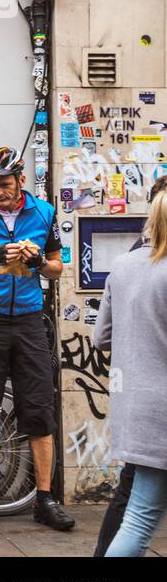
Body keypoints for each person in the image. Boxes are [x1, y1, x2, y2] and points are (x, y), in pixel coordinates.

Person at [0, 146, 74, 531]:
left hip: (29, 323)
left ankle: (44, 498)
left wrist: (38, 262)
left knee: (39, 410)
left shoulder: (44, 214)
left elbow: (57, 268)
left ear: (21, 180)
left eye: (4, 184)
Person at [93, 172, 167, 556]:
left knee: (137, 513)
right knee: (139, 517)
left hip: (135, 409)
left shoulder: (123, 266)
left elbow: (100, 337)